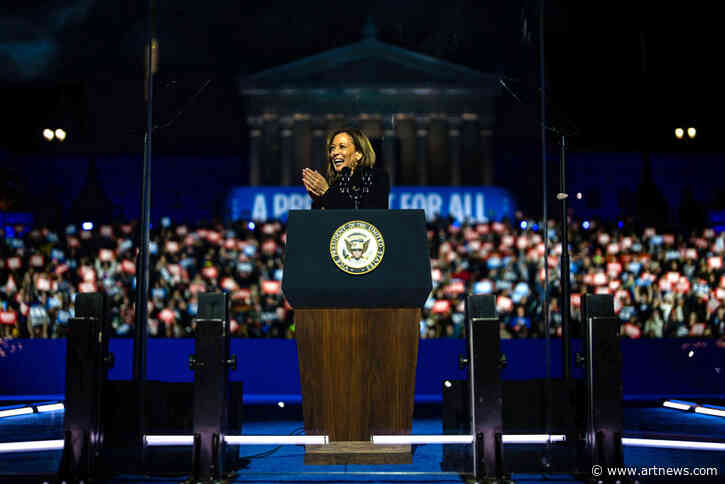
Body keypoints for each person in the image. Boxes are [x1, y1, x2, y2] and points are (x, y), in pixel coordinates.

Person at [302, 127, 389, 209]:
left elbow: (364, 215)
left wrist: (326, 193)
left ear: (358, 154)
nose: (334, 153)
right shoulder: (335, 185)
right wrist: (319, 200)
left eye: (342, 146)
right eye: (332, 148)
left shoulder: (377, 177)